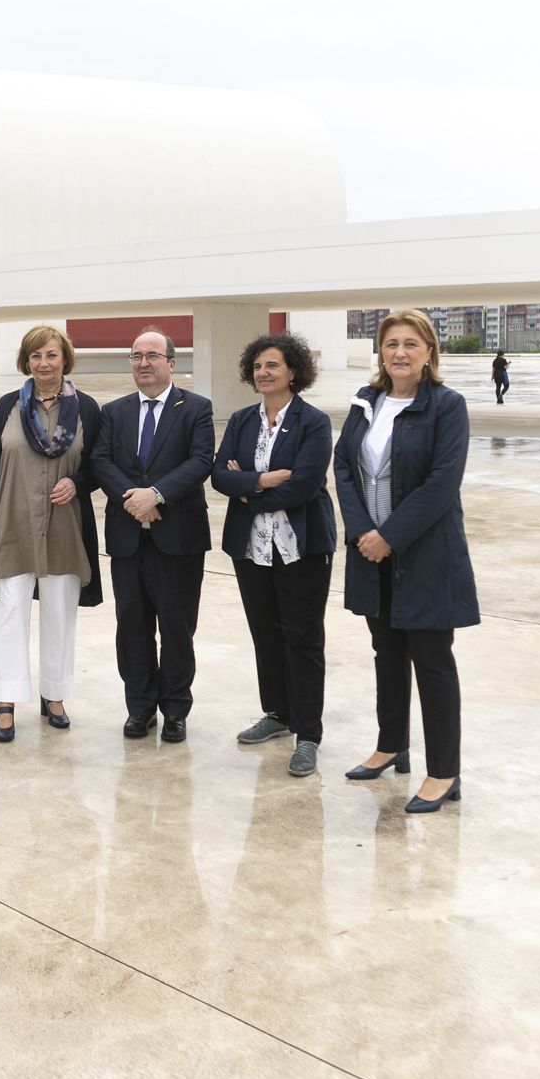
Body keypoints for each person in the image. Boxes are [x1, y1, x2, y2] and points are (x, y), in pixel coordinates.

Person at [334, 308, 479, 813]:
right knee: (387, 652)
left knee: (433, 662)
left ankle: (444, 772)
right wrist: (361, 533)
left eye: (410, 344)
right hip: (370, 553)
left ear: (429, 351)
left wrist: (389, 537)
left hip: (426, 556)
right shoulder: (365, 403)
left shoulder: (446, 406)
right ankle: (391, 744)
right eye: (391, 343)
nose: (399, 352)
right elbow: (344, 470)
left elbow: (443, 483)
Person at [0, 325, 102, 742]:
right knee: (11, 612)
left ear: (65, 359)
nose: (44, 363)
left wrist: (78, 483)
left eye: (51, 355)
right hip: (12, 521)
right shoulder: (8, 405)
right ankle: (6, 701)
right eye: (36, 356)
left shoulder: (87, 409)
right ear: (26, 362)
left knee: (60, 612)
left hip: (64, 525)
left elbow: (100, 464)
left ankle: (54, 695)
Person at [211, 332, 336, 777]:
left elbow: (303, 485)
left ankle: (308, 734)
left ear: (294, 373)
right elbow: (219, 476)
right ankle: (278, 714)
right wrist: (260, 483)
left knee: (302, 639)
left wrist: (246, 487)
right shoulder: (243, 420)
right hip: (252, 548)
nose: (264, 373)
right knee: (265, 633)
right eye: (258, 366)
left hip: (301, 547)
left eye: (274, 366)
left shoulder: (314, 422)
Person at [91, 327, 214, 743]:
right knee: (132, 626)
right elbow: (100, 460)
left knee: (177, 627)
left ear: (171, 363)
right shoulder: (115, 412)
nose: (143, 363)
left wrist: (158, 494)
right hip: (127, 537)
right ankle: (140, 708)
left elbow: (200, 461)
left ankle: (176, 709)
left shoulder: (195, 407)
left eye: (152, 356)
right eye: (136, 356)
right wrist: (133, 498)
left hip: (178, 538)